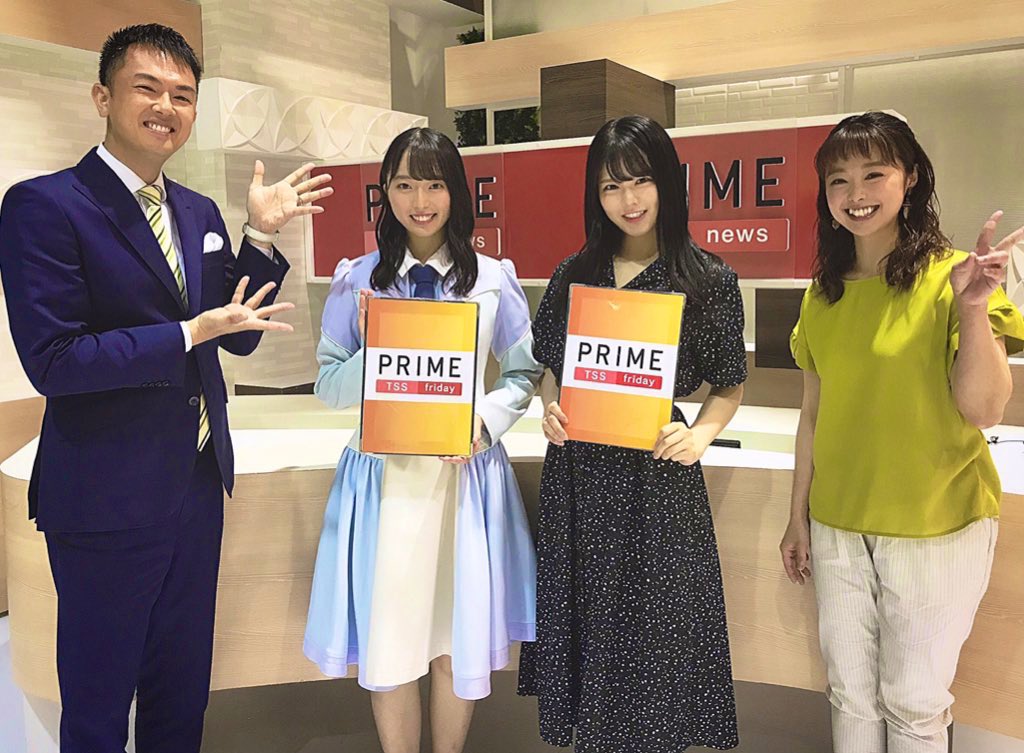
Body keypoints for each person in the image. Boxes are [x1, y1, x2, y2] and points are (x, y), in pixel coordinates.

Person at [0, 23, 332, 753]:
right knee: (97, 701)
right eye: (146, 88)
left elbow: (237, 335)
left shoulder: (198, 211)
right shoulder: (44, 205)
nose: (166, 107)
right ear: (103, 97)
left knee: (181, 692)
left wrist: (261, 237)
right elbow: (55, 360)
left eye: (182, 94)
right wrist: (185, 333)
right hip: (105, 494)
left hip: (195, 484)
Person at [780, 111, 1024, 753]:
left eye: (874, 174)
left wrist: (974, 310)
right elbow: (813, 415)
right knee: (850, 696)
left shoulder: (954, 277)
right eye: (838, 180)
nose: (855, 194)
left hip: (934, 523)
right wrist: (798, 516)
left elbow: (985, 409)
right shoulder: (822, 295)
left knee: (914, 704)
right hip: (838, 525)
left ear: (910, 179)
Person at [303, 126, 542, 753]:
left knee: (453, 641)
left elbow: (523, 374)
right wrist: (377, 347)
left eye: (434, 185)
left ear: (456, 192)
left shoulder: (493, 278)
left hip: (463, 478)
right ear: (385, 192)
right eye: (405, 185)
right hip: (385, 484)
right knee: (392, 644)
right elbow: (328, 386)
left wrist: (484, 422)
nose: (420, 201)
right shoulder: (357, 280)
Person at [517, 115, 746, 752]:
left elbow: (730, 383)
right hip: (581, 480)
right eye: (611, 186)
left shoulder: (707, 279)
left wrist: (701, 436)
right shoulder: (574, 274)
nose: (629, 199)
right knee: (588, 634)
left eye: (641, 181)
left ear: (667, 182)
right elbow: (551, 367)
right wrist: (551, 408)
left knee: (656, 643)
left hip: (656, 481)